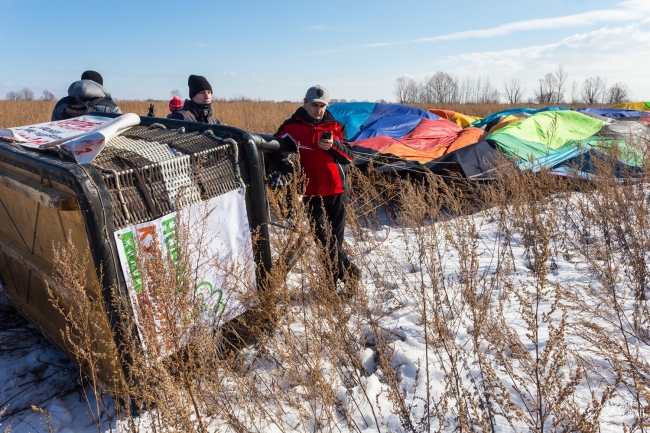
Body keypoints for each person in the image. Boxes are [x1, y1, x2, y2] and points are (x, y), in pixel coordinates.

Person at [273, 85, 361, 294]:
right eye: (314, 105)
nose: (318, 110)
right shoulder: (292, 127)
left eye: (322, 106)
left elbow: (349, 158)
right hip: (311, 193)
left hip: (338, 191)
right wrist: (286, 169)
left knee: (335, 243)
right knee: (323, 240)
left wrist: (333, 147)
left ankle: (332, 286)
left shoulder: (336, 127)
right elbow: (273, 149)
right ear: (305, 102)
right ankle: (352, 274)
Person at [51, 71, 122, 121]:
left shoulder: (62, 103)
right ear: (100, 86)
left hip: (67, 142)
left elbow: (53, 127)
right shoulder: (111, 107)